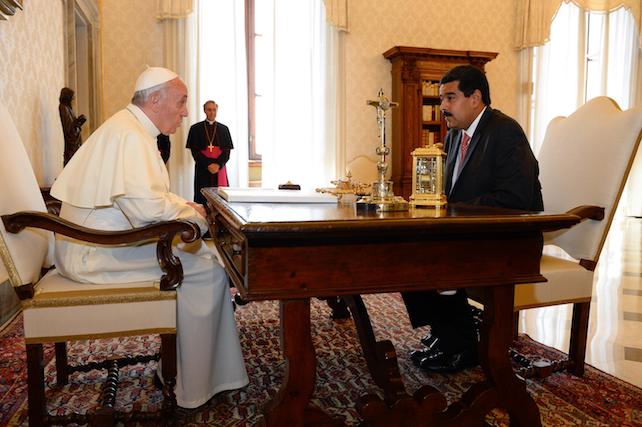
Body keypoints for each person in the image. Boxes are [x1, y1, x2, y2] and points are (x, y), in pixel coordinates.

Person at [50, 67, 249, 408]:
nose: (186, 111)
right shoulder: (130, 135)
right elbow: (144, 210)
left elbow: (144, 197)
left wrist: (181, 205)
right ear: (155, 99)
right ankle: (195, 386)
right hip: (93, 253)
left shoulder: (130, 129)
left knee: (203, 259)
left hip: (94, 242)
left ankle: (194, 369)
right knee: (207, 269)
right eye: (182, 101)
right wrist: (194, 216)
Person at [402, 65, 543, 373]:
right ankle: (445, 332)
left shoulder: (505, 132)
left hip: (509, 239)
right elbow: (449, 194)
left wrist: (451, 211)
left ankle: (464, 344)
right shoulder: (454, 137)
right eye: (441, 99)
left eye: (450, 98)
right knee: (406, 246)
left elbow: (516, 200)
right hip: (469, 233)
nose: (442, 107)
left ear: (476, 97)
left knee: (433, 256)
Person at [186, 100, 233, 205]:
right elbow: (195, 151)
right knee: (201, 198)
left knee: (221, 200)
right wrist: (208, 164)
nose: (212, 112)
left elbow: (227, 152)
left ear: (217, 110)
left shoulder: (224, 129)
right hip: (202, 168)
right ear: (204, 110)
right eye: (209, 110)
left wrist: (218, 164)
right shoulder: (195, 129)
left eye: (214, 110)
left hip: (219, 169)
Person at [59, 87, 87, 165]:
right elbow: (68, 127)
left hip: (75, 139)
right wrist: (77, 121)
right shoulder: (63, 108)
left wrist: (79, 121)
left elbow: (73, 125)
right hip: (71, 142)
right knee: (71, 162)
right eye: (72, 97)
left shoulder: (69, 108)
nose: (73, 99)